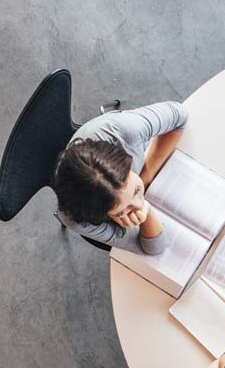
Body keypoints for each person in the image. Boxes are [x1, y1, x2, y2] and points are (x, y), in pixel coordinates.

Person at [52, 101, 187, 254]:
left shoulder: (127, 131)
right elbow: (155, 249)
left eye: (136, 190)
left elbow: (179, 114)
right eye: (121, 211)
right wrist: (147, 212)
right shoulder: (78, 221)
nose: (139, 203)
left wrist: (145, 178)